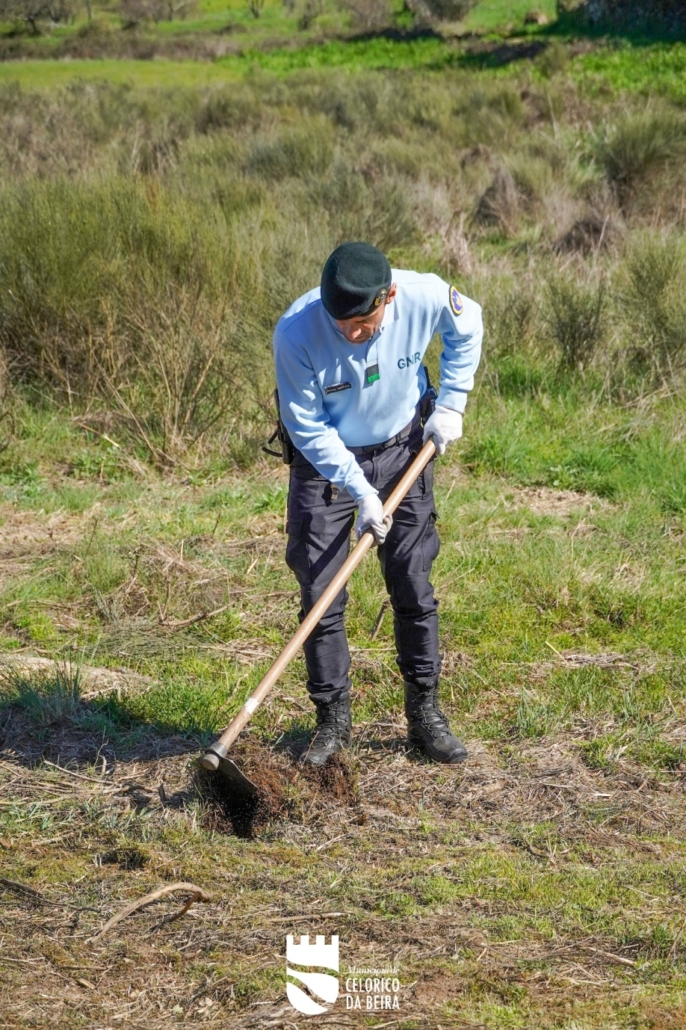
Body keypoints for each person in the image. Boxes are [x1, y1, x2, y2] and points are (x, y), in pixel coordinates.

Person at [272, 242, 482, 767]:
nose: (350, 334)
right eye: (340, 323)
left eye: (362, 323)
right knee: (322, 587)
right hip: (326, 467)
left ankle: (426, 713)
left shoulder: (422, 294)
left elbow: (468, 323)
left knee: (412, 577)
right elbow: (306, 427)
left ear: (387, 296)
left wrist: (452, 401)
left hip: (404, 449)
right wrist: (360, 490)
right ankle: (332, 724)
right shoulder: (296, 333)